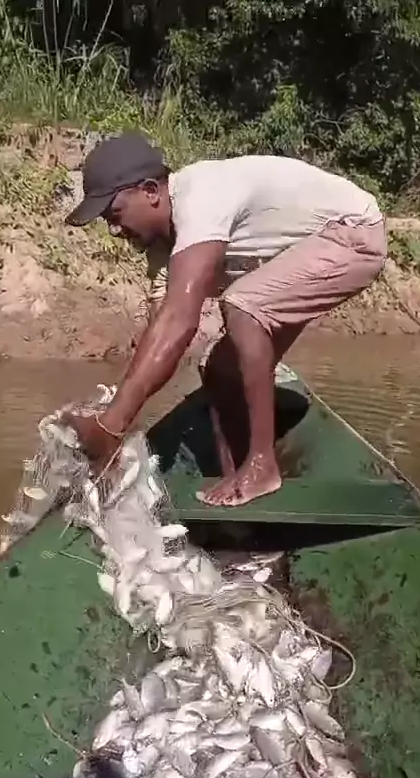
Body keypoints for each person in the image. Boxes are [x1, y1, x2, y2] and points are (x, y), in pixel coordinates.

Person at [65, 132, 387, 507]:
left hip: (351, 234)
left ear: (151, 191)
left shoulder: (200, 198)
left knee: (243, 306)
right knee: (219, 369)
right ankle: (236, 476)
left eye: (115, 214)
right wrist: (118, 413)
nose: (113, 229)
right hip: (303, 250)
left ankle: (262, 467)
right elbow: (162, 332)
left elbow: (179, 321)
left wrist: (111, 427)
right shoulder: (164, 248)